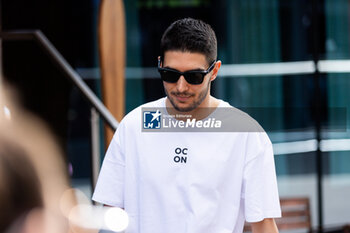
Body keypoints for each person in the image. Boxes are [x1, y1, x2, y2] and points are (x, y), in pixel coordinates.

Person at [93, 18, 281, 233]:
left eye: (194, 77)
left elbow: (264, 225)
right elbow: (110, 216)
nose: (181, 87)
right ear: (160, 65)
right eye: (170, 75)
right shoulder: (134, 126)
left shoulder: (246, 133)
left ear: (215, 71)